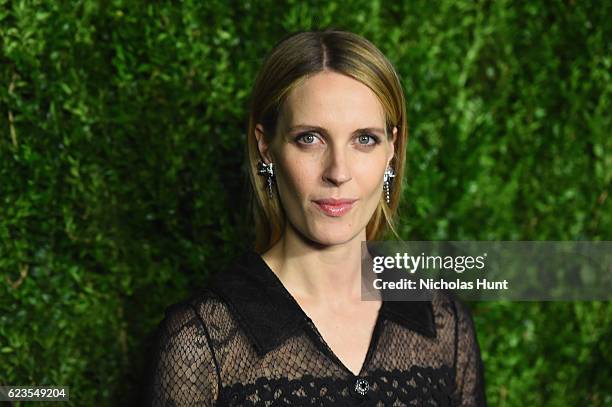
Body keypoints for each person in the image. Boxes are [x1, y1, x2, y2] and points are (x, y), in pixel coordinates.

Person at [144, 29, 487, 406]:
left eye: (364, 139)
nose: (338, 172)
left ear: (392, 149)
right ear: (266, 147)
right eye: (310, 138)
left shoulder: (445, 326)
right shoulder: (201, 342)